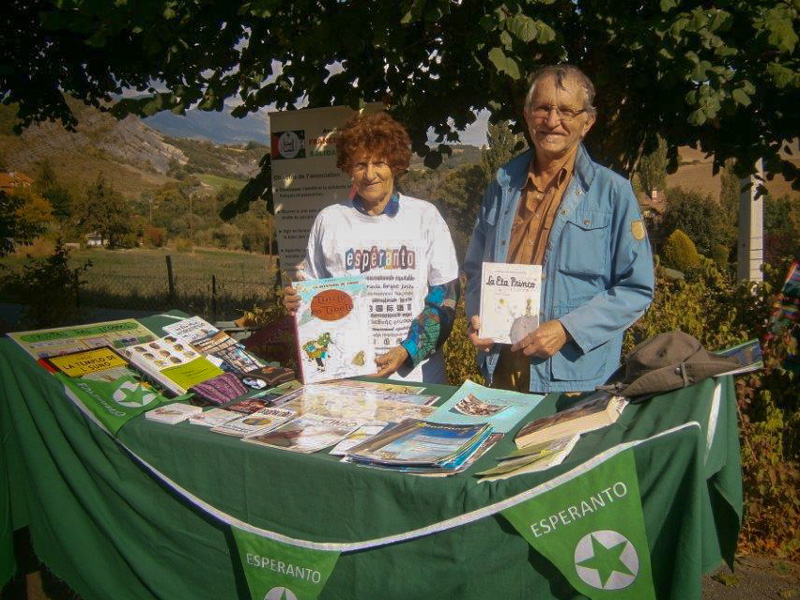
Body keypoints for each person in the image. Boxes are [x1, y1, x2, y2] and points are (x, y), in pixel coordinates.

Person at [464, 65, 655, 394]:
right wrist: (476, 315)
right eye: (543, 108)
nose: (552, 121)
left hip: (574, 380)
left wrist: (568, 329)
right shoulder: (502, 184)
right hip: (503, 371)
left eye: (566, 110)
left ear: (587, 122)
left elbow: (636, 289)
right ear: (527, 115)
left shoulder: (613, 193)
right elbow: (475, 269)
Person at [283, 112, 459, 383]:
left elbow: (445, 298)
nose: (369, 174)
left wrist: (407, 350)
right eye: (360, 164)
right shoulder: (329, 221)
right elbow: (313, 295)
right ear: (347, 167)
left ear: (396, 165)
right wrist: (297, 302)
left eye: (379, 163)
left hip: (415, 378)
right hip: (348, 376)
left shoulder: (425, 217)